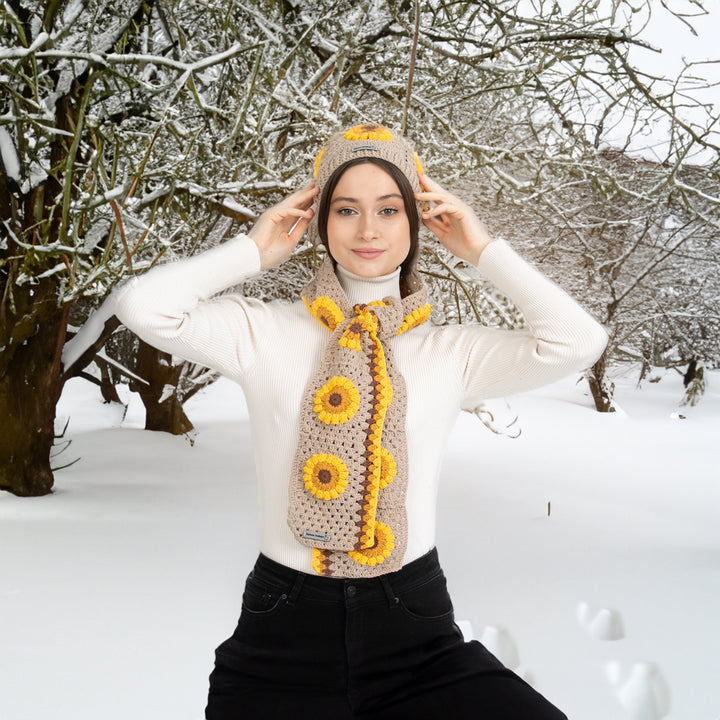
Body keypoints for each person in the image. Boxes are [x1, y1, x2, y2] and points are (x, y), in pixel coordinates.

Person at [114, 123, 608, 719]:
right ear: (320, 221)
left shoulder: (449, 352)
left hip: (415, 632)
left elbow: (577, 341)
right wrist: (254, 250)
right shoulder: (262, 333)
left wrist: (482, 250)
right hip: (282, 634)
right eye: (345, 209)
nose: (368, 230)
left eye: (389, 209)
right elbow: (143, 307)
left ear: (417, 221)